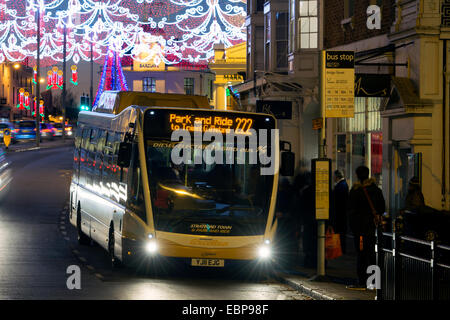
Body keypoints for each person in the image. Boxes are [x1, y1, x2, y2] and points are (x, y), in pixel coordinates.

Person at [347, 166, 385, 290]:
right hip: (373, 228)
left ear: (357, 175)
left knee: (362, 255)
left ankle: (363, 282)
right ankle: (374, 282)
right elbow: (382, 208)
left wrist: (353, 226)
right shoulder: (376, 190)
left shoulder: (356, 191)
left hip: (360, 229)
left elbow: (351, 210)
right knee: (373, 254)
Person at [275, 179, 297, 267]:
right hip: (290, 222)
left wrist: (282, 214)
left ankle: (282, 261)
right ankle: (288, 261)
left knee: (282, 242)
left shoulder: (281, 194)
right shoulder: (293, 194)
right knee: (289, 242)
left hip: (283, 222)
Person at [330, 170, 349, 254]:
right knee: (341, 232)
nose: (333, 178)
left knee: (340, 232)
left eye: (334, 176)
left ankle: (340, 249)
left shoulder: (341, 186)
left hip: (340, 214)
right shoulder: (343, 185)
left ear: (337, 176)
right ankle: (341, 249)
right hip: (342, 214)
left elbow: (338, 201)